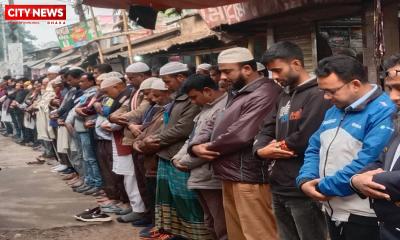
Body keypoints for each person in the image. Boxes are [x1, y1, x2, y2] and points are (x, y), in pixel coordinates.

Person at [296, 55, 396, 240]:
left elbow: (370, 161)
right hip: (333, 210)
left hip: (365, 214)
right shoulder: (334, 109)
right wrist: (306, 178)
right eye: (323, 91)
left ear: (355, 84)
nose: (326, 97)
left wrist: (322, 187)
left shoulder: (384, 110)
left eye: (331, 91)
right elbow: (314, 146)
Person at [190, 47, 280, 240]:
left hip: (250, 175)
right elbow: (212, 123)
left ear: (247, 69)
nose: (222, 77)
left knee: (258, 234)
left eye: (227, 71)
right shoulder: (236, 93)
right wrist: (196, 145)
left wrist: (206, 148)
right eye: (221, 71)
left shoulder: (265, 92)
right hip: (230, 173)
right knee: (237, 234)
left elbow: (241, 134)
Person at [253, 41, 330, 240]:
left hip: (304, 187)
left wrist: (276, 148)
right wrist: (261, 150)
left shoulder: (318, 93)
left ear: (296, 64)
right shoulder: (283, 96)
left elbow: (306, 137)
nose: (275, 77)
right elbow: (265, 128)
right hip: (279, 185)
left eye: (278, 70)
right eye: (271, 72)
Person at [140, 61, 209, 240]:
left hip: (181, 156)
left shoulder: (193, 99)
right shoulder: (177, 98)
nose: (165, 85)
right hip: (168, 154)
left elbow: (183, 128)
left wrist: (154, 140)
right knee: (174, 200)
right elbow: (168, 125)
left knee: (187, 201)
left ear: (180, 77)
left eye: (167, 81)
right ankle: (179, 234)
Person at [172, 74, 228, 240]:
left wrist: (185, 162)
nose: (193, 102)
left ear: (207, 91)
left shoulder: (224, 108)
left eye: (194, 97)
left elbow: (213, 145)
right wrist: (177, 159)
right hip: (200, 175)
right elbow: (192, 139)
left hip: (212, 177)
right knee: (210, 221)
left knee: (222, 224)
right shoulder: (206, 108)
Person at [351, 54, 400, 240]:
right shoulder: (396, 121)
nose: (393, 97)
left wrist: (371, 181)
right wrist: (355, 180)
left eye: (399, 88)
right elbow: (381, 160)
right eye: (389, 89)